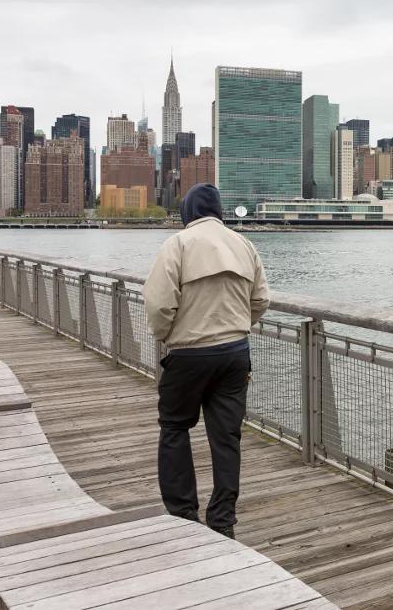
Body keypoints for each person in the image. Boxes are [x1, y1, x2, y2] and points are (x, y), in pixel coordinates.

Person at [143, 183, 269, 538]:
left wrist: (168, 334)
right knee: (227, 437)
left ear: (188, 211)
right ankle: (222, 519)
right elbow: (260, 300)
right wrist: (238, 325)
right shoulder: (244, 244)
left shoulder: (178, 245)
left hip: (188, 352)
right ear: (219, 211)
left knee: (174, 428)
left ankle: (183, 516)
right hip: (234, 353)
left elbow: (159, 304)